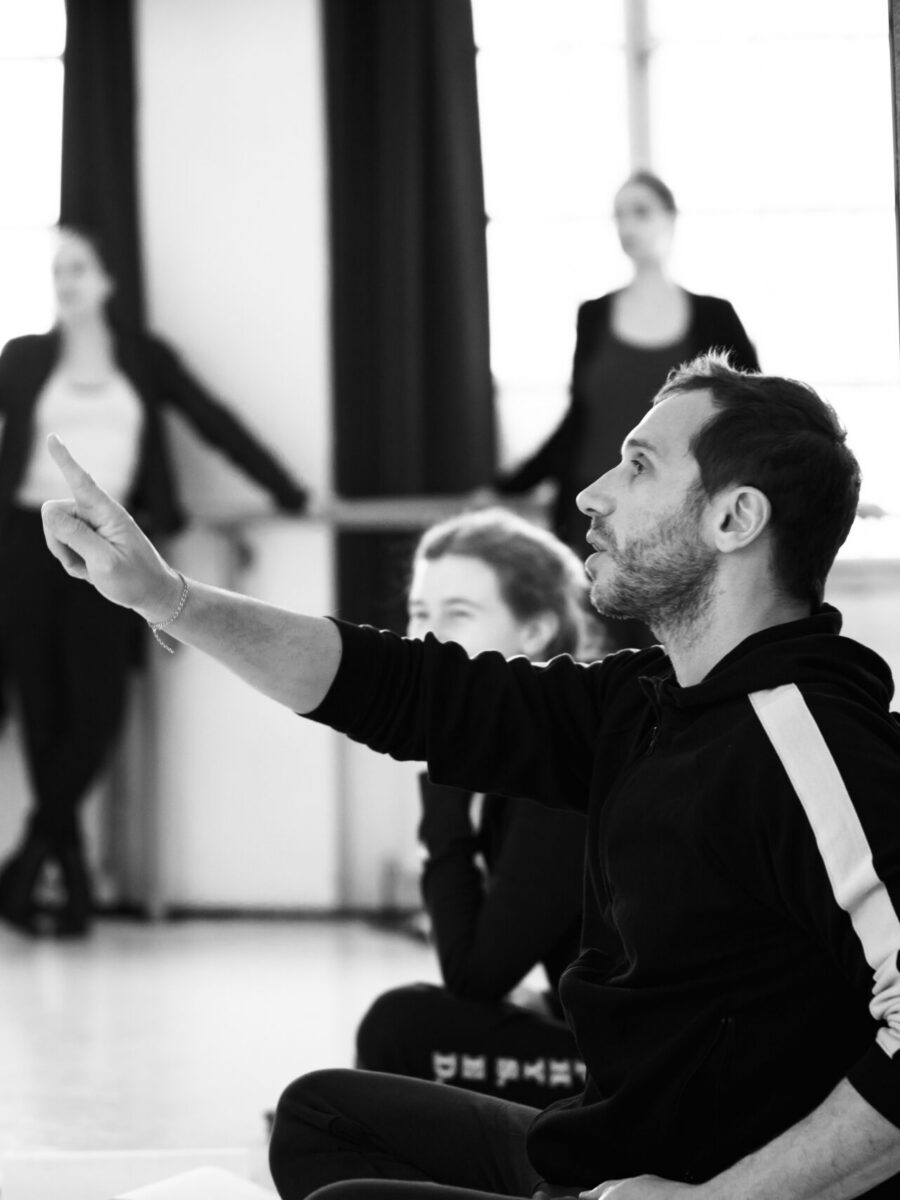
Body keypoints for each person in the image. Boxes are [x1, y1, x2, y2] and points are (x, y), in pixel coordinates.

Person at [39, 351, 900, 1198]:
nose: (591, 494)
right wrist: (170, 599)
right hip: (613, 1157)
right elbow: (406, 689)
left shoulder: (809, 739)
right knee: (321, 1118)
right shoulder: (644, 701)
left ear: (735, 519)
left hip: (708, 1188)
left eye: (637, 467)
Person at [0, 225, 308, 938]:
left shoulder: (143, 357)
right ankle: (67, 882)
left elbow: (212, 421)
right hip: (24, 545)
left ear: (108, 279)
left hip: (111, 546)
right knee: (43, 715)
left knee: (99, 710)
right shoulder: (22, 357)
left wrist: (285, 489)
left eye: (79, 267)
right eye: (57, 271)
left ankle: (30, 863)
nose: (67, 281)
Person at [355, 509, 587, 1107]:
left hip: (671, 1075)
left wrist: (444, 779)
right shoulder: (537, 739)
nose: (427, 641)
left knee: (398, 1029)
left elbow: (474, 976)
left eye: (458, 615)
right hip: (618, 1035)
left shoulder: (565, 755)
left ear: (535, 632)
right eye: (419, 615)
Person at [491, 171, 759, 650]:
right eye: (619, 214)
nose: (627, 226)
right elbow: (580, 420)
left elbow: (751, 418)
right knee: (595, 657)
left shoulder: (715, 316)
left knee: (682, 652)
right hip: (596, 516)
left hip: (680, 515)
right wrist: (509, 485)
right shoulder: (593, 315)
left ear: (669, 219)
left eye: (640, 211)